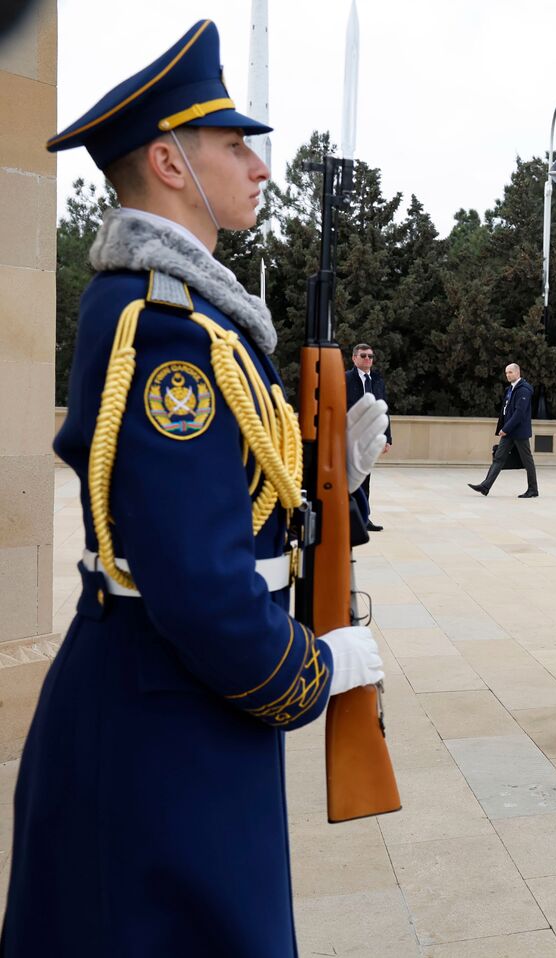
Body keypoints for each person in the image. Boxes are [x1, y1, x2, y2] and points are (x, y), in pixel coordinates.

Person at [4, 21, 386, 956]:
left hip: (175, 705)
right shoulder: (166, 327)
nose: (258, 165)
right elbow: (196, 582)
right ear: (170, 162)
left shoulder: (182, 311)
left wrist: (325, 475)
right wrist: (314, 670)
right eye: (233, 144)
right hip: (164, 717)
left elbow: (208, 497)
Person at [469, 362, 539, 498]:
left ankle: (533, 489)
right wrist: (504, 428)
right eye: (506, 373)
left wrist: (505, 429)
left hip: (518, 432)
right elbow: (506, 410)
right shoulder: (510, 389)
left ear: (518, 373)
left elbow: (519, 413)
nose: (508, 375)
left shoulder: (523, 390)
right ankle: (485, 486)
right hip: (509, 431)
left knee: (527, 460)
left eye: (510, 372)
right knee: (498, 458)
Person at [347, 343, 391, 531]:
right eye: (363, 355)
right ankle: (347, 517)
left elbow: (384, 408)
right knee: (350, 478)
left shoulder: (377, 380)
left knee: (365, 479)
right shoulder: (345, 378)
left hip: (371, 436)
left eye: (370, 356)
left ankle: (364, 518)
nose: (367, 359)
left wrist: (388, 437)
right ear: (354, 358)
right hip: (350, 434)